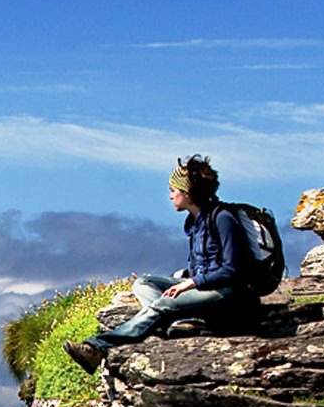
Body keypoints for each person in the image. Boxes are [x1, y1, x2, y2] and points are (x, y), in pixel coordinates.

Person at [64, 154, 253, 372]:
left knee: (164, 304)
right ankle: (174, 323)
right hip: (201, 286)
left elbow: (232, 269)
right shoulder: (195, 222)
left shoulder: (223, 219)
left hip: (224, 293)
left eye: (174, 190)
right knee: (143, 283)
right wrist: (186, 278)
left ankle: (96, 347)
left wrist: (190, 283)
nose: (171, 196)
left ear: (188, 193)